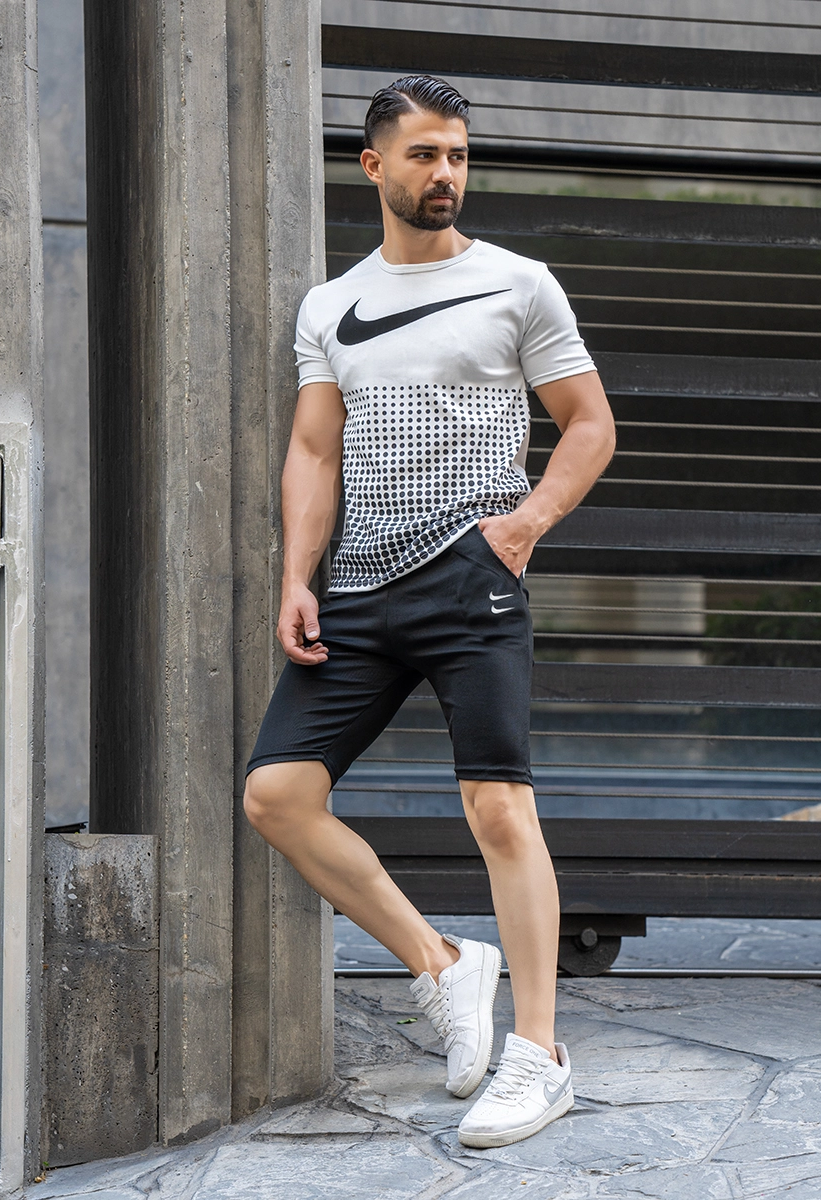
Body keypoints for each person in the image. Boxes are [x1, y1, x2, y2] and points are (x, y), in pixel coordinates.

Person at [242, 73, 615, 1148]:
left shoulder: (519, 285)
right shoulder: (331, 305)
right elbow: (314, 449)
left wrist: (524, 526)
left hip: (468, 577)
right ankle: (443, 966)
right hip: (357, 587)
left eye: (456, 154)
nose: (444, 172)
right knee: (276, 796)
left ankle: (539, 1054)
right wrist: (297, 577)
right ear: (374, 165)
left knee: (499, 808)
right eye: (423, 154)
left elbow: (588, 424)